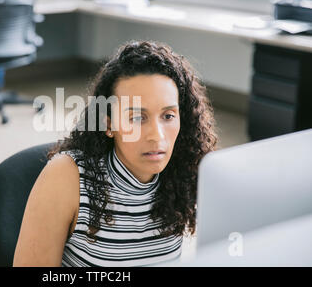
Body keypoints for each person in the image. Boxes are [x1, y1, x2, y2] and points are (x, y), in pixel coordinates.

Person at [13, 40, 218, 267]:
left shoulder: (184, 171)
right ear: (109, 124)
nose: (157, 136)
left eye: (168, 116)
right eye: (137, 117)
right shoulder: (67, 177)